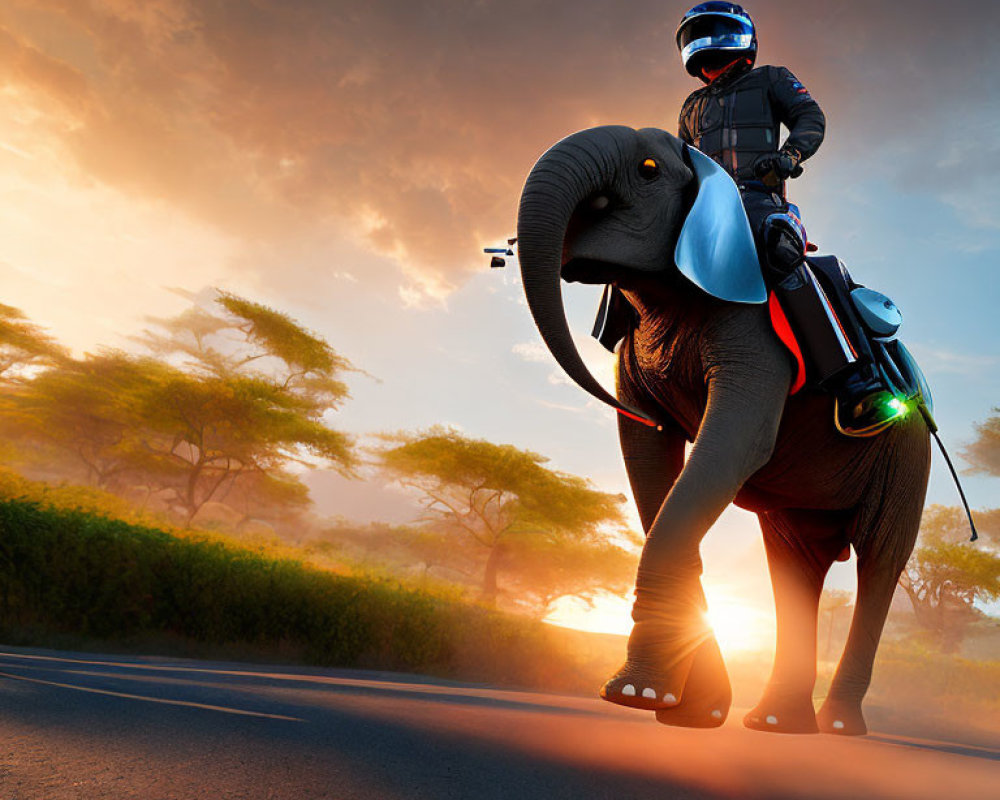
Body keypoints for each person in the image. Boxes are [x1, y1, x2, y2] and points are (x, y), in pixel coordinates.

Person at [675, 2, 896, 434]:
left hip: (760, 200)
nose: (706, 40)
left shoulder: (771, 77)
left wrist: (789, 156)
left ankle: (855, 380)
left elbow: (809, 117)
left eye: (717, 29)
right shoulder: (690, 105)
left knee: (778, 248)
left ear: (743, 37)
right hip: (705, 207)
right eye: (697, 33)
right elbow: (683, 160)